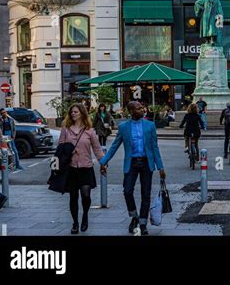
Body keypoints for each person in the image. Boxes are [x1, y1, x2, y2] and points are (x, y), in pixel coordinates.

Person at [100, 101, 166, 235]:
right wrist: (104, 161)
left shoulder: (150, 125)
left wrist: (160, 167)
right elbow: (114, 145)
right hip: (132, 163)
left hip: (147, 163)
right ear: (131, 111)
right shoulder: (124, 127)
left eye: (142, 107)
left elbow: (154, 147)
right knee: (127, 191)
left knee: (145, 194)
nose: (143, 109)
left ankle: (143, 223)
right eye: (139, 108)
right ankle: (134, 216)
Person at [59, 103, 105, 234]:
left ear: (82, 114)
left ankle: (85, 215)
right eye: (72, 112)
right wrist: (66, 153)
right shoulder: (66, 129)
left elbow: (97, 148)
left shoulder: (89, 130)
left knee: (86, 195)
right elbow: (60, 147)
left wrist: (103, 162)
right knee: (73, 197)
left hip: (86, 167)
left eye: (76, 112)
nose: (73, 114)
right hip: (71, 168)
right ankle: (75, 223)